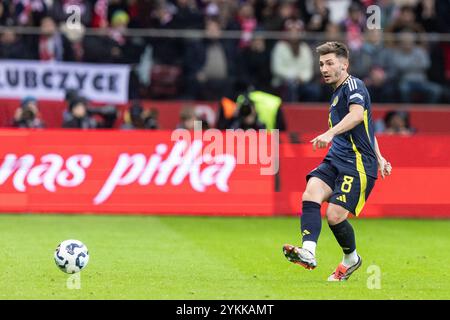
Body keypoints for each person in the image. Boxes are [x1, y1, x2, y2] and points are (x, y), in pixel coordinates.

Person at [283, 42, 392, 281]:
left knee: (334, 215)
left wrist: (330, 134)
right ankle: (309, 252)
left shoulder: (354, 85)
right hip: (336, 159)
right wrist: (381, 155)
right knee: (310, 192)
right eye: (321, 64)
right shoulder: (336, 94)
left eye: (330, 63)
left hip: (357, 164)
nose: (324, 68)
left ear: (345, 65)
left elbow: (356, 116)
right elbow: (366, 127)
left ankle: (351, 259)